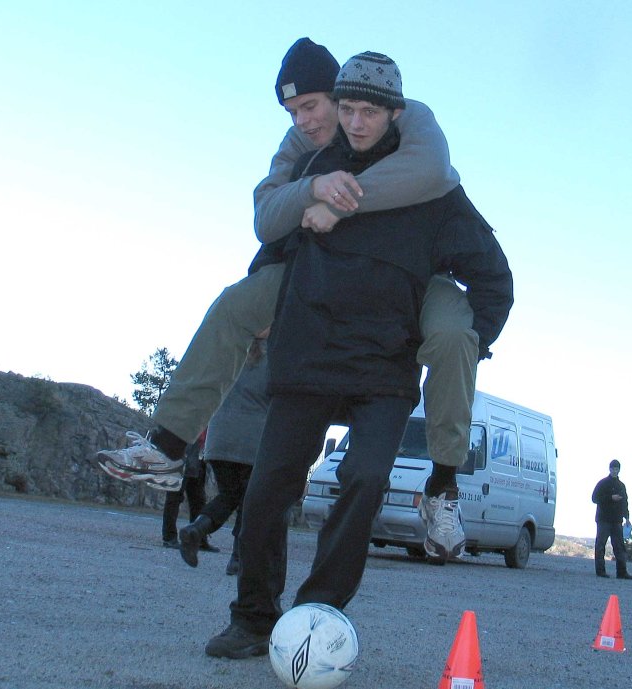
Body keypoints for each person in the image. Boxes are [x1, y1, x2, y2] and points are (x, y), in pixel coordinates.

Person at [96, 37, 477, 562]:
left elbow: (431, 171)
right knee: (234, 305)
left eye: (313, 107)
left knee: (456, 334)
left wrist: (341, 205)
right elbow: (265, 218)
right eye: (293, 111)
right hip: (322, 278)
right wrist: (314, 188)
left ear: (345, 98)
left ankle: (443, 484)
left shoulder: (407, 120)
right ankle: (166, 445)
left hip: (409, 277)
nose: (303, 120)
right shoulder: (302, 144)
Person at [204, 49, 513, 659]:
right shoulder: (316, 164)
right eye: (346, 107)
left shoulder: (433, 192)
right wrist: (270, 316)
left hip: (383, 372)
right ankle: (252, 617)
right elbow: (271, 247)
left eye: (370, 110)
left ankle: (318, 615)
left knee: (366, 479)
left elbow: (493, 276)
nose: (357, 121)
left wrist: (461, 347)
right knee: (269, 487)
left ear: (394, 113)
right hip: (309, 358)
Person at [178, 337, 270, 575]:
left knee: (229, 495)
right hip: (252, 439)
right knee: (249, 501)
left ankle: (197, 529)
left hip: (219, 438)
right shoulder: (272, 359)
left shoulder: (230, 355)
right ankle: (238, 558)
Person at [159, 432, 218, 554]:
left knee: (198, 499)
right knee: (175, 496)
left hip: (198, 455)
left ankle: (199, 539)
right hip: (182, 451)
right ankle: (169, 538)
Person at [591, 459, 632, 580]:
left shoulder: (621, 486)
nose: (615, 471)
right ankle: (600, 571)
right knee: (600, 545)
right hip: (603, 519)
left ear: (619, 470)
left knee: (619, 546)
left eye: (617, 469)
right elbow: (594, 498)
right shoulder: (603, 483)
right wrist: (610, 498)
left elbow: (625, 502)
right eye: (613, 468)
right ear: (609, 469)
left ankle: (622, 572)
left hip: (617, 520)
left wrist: (627, 518)